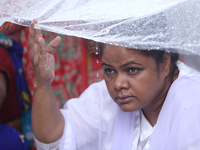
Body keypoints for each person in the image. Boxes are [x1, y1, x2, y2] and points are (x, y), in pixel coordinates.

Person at [29, 18, 200, 150]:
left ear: (164, 62)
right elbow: (53, 139)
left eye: (132, 70)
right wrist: (42, 83)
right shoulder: (105, 98)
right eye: (109, 70)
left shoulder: (193, 105)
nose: (118, 83)